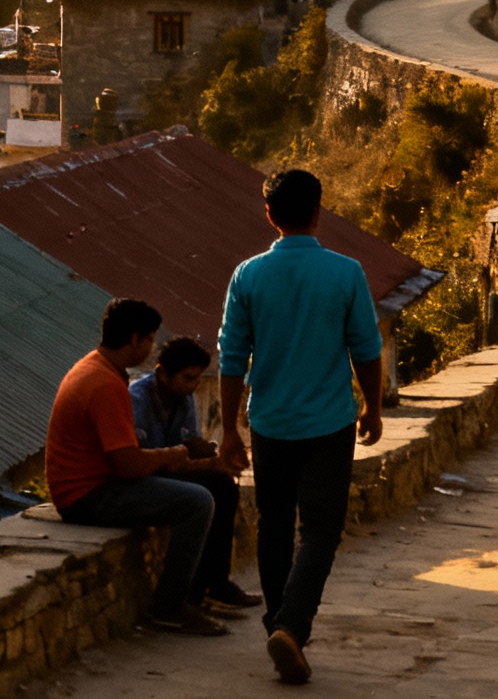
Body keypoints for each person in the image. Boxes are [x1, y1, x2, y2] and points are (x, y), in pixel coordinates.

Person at [219, 169, 383, 686]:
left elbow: (231, 358)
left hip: (270, 422)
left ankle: (278, 623)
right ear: (318, 212)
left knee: (274, 524)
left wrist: (229, 430)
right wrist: (373, 408)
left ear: (269, 215)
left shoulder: (248, 275)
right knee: (320, 529)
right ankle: (291, 625)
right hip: (329, 422)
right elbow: (366, 350)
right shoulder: (345, 272)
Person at [46, 298, 232, 636]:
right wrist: (172, 454)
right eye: (149, 339)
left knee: (208, 488)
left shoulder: (95, 367)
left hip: (88, 485)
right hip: (87, 494)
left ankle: (200, 591)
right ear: (135, 339)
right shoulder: (105, 383)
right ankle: (169, 607)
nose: (150, 348)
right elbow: (129, 464)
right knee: (197, 502)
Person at [130, 337, 260, 616]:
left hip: (169, 469)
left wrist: (210, 456)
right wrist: (202, 458)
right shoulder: (137, 400)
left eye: (197, 378)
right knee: (201, 498)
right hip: (142, 476)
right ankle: (181, 597)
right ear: (162, 372)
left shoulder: (183, 399)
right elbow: (148, 459)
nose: (194, 386)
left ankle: (214, 584)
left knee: (223, 487)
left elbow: (189, 447)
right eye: (187, 378)